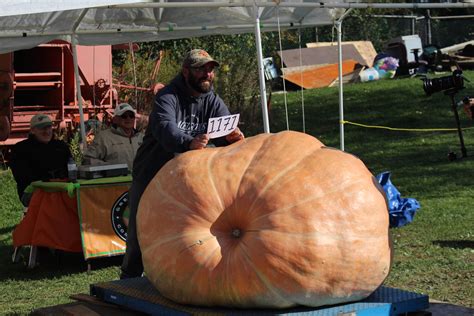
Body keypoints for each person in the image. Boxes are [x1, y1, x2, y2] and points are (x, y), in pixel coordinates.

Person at [121, 49, 244, 279]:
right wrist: (189, 142)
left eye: (210, 69)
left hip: (188, 179)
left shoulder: (213, 101)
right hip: (152, 174)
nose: (207, 74)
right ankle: (128, 281)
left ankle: (183, 278)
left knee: (189, 230)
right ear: (186, 71)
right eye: (200, 69)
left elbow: (224, 130)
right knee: (139, 230)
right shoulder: (168, 97)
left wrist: (232, 138)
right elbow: (165, 128)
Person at [9, 114, 72, 206]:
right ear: (32, 131)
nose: (46, 131)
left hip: (60, 188)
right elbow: (22, 177)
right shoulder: (20, 149)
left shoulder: (61, 146)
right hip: (33, 191)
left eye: (48, 127)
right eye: (42, 128)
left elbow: (71, 168)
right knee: (54, 201)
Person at [83, 103, 143, 171]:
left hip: (141, 180)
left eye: (131, 116)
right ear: (115, 119)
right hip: (115, 181)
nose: (128, 118)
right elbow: (88, 160)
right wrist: (109, 168)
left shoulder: (142, 137)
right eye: (124, 116)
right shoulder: (103, 137)